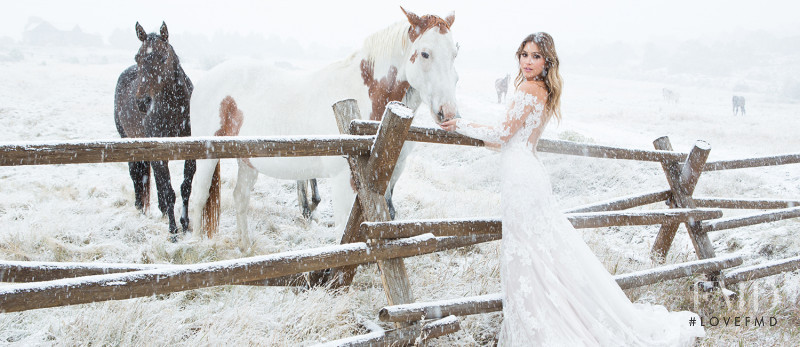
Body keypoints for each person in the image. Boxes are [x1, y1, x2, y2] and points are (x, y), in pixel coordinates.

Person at [440, 33, 706, 346]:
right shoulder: (543, 89)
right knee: (539, 254)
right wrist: (469, 128)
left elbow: (501, 134)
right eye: (524, 54)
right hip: (526, 173)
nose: (527, 61)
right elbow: (508, 141)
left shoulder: (528, 88)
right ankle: (550, 318)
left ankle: (543, 328)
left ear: (546, 61)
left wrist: (459, 123)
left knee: (529, 255)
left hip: (522, 181)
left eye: (535, 56)